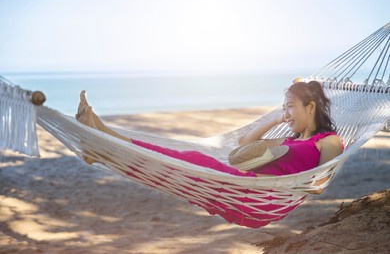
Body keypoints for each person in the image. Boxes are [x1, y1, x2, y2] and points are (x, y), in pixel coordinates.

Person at [76, 80, 343, 193]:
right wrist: (275, 118)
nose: (286, 112)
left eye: (289, 106)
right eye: (284, 107)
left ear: (310, 107)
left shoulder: (329, 141)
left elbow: (319, 186)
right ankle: (102, 138)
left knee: (184, 160)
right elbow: (245, 144)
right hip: (244, 183)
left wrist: (278, 185)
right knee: (178, 162)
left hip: (257, 192)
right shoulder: (291, 141)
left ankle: (102, 140)